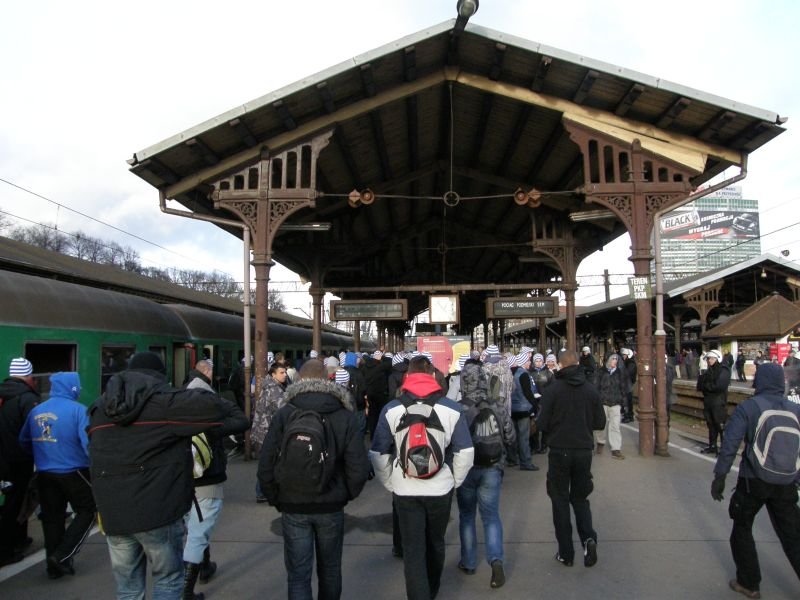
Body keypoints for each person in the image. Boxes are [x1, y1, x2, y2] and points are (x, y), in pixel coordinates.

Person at [87, 351, 243, 599]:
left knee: (128, 588)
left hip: (112, 511)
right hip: (157, 509)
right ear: (158, 376)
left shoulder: (99, 408)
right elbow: (232, 416)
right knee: (168, 580)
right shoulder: (166, 405)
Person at [258, 359, 370, 600]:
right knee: (330, 570)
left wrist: (276, 497)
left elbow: (266, 462)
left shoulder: (285, 413)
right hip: (331, 504)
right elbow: (358, 467)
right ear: (328, 379)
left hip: (292, 503)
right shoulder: (345, 415)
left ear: (299, 379)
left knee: (298, 575)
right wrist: (344, 494)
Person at [370, 356, 474, 600]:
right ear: (433, 375)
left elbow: (378, 452)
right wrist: (454, 480)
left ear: (407, 376)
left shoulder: (392, 409)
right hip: (440, 489)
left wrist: (390, 481)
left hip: (405, 490)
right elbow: (466, 452)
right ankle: (432, 590)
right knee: (435, 543)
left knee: (413, 549)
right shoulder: (451, 409)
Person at [711, 362, 800, 599]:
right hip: (786, 482)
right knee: (793, 537)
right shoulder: (796, 410)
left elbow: (730, 444)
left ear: (759, 381)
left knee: (742, 527)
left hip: (753, 481)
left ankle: (748, 583)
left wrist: (720, 476)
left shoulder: (749, 407)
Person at [182, 359, 249, 599]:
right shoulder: (211, 403)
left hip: (181, 477)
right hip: (208, 477)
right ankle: (185, 591)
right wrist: (217, 413)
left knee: (194, 525)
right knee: (198, 532)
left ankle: (205, 566)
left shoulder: (175, 401)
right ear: (208, 374)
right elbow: (242, 420)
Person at [18, 371, 95, 579]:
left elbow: (24, 440)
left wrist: (41, 455)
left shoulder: (37, 411)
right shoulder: (79, 411)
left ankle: (53, 567)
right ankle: (62, 555)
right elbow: (88, 444)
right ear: (72, 387)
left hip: (45, 473)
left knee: (52, 518)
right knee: (88, 510)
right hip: (74, 471)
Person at [536, 350, 606, 569]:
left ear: (560, 365)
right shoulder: (591, 390)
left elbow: (541, 423)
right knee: (580, 498)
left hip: (559, 450)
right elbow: (600, 423)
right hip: (583, 451)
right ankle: (588, 539)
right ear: (577, 363)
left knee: (559, 500)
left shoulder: (552, 390)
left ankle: (566, 553)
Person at [456, 357, 515, 588]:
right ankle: (496, 561)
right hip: (492, 467)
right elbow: (510, 437)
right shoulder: (497, 405)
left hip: (466, 470)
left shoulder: (458, 408)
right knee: (491, 517)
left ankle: (469, 562)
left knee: (467, 516)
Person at [0, 357, 40, 567]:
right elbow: (35, 430)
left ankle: (19, 539)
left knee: (13, 500)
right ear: (28, 376)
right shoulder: (27, 399)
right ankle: (6, 551)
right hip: (19, 458)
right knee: (16, 503)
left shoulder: (3, 394)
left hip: (3, 458)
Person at [594, 353, 629, 460]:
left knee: (615, 426)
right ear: (608, 360)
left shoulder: (620, 373)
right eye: (613, 359)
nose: (615, 361)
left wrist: (624, 403)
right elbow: (596, 386)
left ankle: (616, 449)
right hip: (603, 402)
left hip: (615, 402)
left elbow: (623, 388)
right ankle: (600, 442)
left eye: (616, 359)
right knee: (601, 424)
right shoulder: (601, 372)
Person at [697, 349, 731, 455]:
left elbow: (719, 386)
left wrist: (706, 386)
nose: (709, 361)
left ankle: (724, 448)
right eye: (708, 359)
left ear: (717, 359)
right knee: (711, 424)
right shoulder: (709, 370)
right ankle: (712, 446)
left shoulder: (723, 370)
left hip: (718, 402)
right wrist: (705, 386)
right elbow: (700, 385)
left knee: (720, 425)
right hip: (709, 401)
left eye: (711, 358)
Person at [508, 352, 539, 471]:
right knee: (523, 437)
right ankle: (525, 462)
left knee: (512, 436)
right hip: (523, 409)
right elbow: (528, 392)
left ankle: (512, 459)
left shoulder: (509, 373)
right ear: (523, 362)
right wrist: (535, 406)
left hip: (511, 408)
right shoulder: (523, 374)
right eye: (527, 361)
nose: (529, 363)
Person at [251, 362, 288, 456]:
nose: (285, 375)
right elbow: (284, 408)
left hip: (262, 431)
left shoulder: (269, 384)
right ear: (273, 375)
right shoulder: (274, 389)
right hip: (268, 431)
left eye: (285, 372)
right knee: (270, 459)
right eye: (282, 373)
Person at [620, 348, 637, 423]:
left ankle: (628, 415)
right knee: (627, 400)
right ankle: (628, 415)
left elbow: (627, 373)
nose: (623, 356)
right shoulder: (627, 363)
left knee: (627, 400)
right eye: (623, 355)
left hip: (628, 383)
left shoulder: (631, 363)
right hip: (627, 383)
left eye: (624, 355)